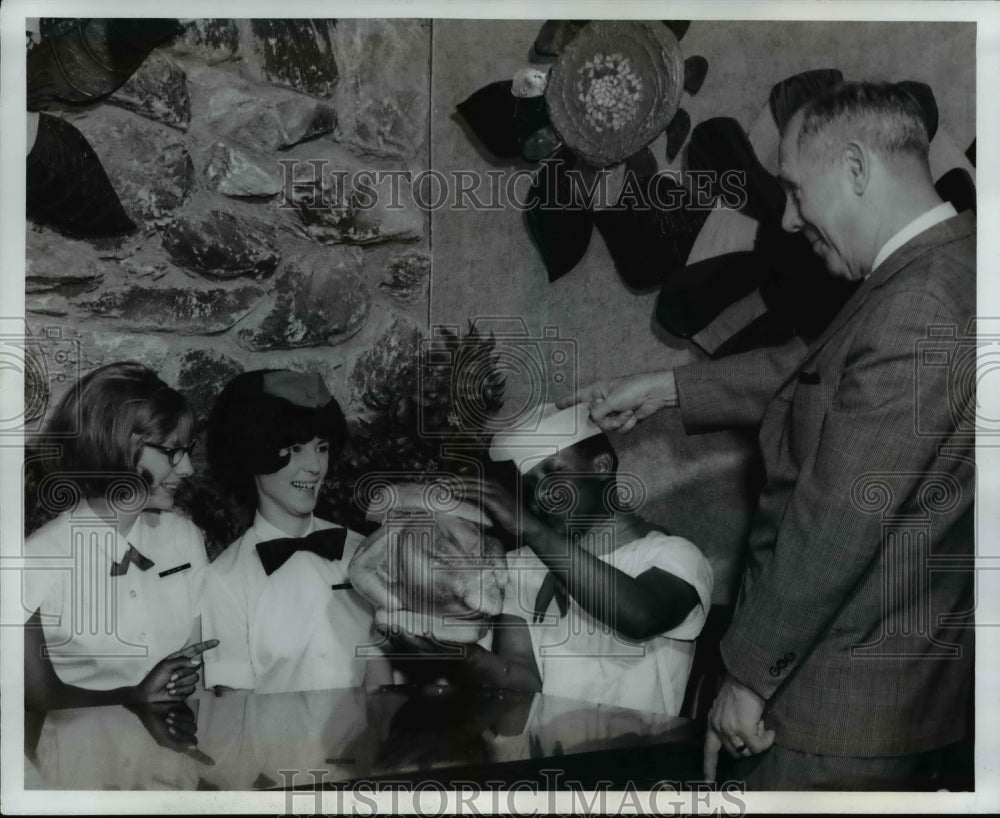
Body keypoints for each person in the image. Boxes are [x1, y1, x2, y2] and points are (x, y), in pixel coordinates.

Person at [564, 82, 975, 789]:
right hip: (896, 695)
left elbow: (839, 520)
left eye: (794, 190)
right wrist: (667, 388)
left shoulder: (918, 302)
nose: (787, 218)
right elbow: (826, 369)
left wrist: (750, 678)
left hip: (830, 710)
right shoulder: (951, 266)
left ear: (854, 168)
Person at [463, 402, 713, 715]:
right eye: (529, 487)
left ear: (601, 466)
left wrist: (528, 527)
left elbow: (640, 616)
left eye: (554, 474)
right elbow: (521, 688)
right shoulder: (519, 567)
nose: (541, 496)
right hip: (549, 757)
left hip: (634, 755)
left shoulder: (673, 556)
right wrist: (460, 653)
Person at [23, 362, 217, 711]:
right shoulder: (37, 561)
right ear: (117, 447)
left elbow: (197, 674)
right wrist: (133, 698)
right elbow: (30, 704)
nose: (187, 468)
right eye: (173, 452)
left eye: (187, 450)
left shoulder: (184, 539)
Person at [200, 369, 390, 694]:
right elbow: (235, 708)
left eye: (321, 447)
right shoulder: (224, 580)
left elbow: (380, 681)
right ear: (253, 453)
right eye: (296, 449)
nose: (315, 467)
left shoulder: (362, 553)